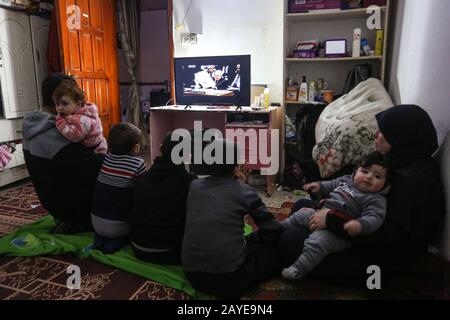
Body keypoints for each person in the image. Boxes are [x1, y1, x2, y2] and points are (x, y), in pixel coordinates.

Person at [279, 105, 445, 287]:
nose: (376, 136)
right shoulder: (404, 161)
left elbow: (388, 240)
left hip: (379, 262)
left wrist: (332, 221)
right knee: (301, 206)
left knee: (290, 239)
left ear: (400, 138)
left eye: (383, 133)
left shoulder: (416, 183)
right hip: (358, 231)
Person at [182, 139, 282, 299]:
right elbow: (273, 229)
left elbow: (222, 197)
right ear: (236, 166)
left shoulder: (194, 186)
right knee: (273, 251)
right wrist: (253, 239)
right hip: (230, 279)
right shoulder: (245, 191)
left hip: (192, 275)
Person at [281, 151, 390, 280]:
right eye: (365, 171)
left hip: (338, 232)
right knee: (301, 213)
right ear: (355, 172)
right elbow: (332, 184)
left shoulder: (375, 199)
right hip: (322, 212)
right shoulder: (347, 180)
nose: (368, 177)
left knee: (317, 242)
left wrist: (360, 224)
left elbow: (375, 217)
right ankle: (279, 227)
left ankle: (298, 269)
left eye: (377, 176)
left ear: (386, 183)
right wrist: (319, 185)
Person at [22, 74, 104, 234]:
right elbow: (93, 168)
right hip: (73, 210)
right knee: (120, 173)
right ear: (59, 99)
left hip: (52, 203)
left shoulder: (31, 125)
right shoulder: (59, 132)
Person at [129, 131, 197, 264]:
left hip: (137, 247)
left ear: (160, 148)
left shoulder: (141, 178)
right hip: (169, 251)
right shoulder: (190, 182)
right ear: (189, 155)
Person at [91, 123, 146, 254]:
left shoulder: (105, 159)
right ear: (135, 147)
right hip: (119, 226)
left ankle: (101, 240)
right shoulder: (137, 163)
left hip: (95, 222)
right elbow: (144, 190)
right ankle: (119, 240)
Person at [53, 79, 107, 154]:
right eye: (57, 104)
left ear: (78, 104)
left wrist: (59, 121)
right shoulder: (81, 112)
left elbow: (74, 136)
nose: (60, 108)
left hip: (96, 151)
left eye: (64, 104)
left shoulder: (83, 119)